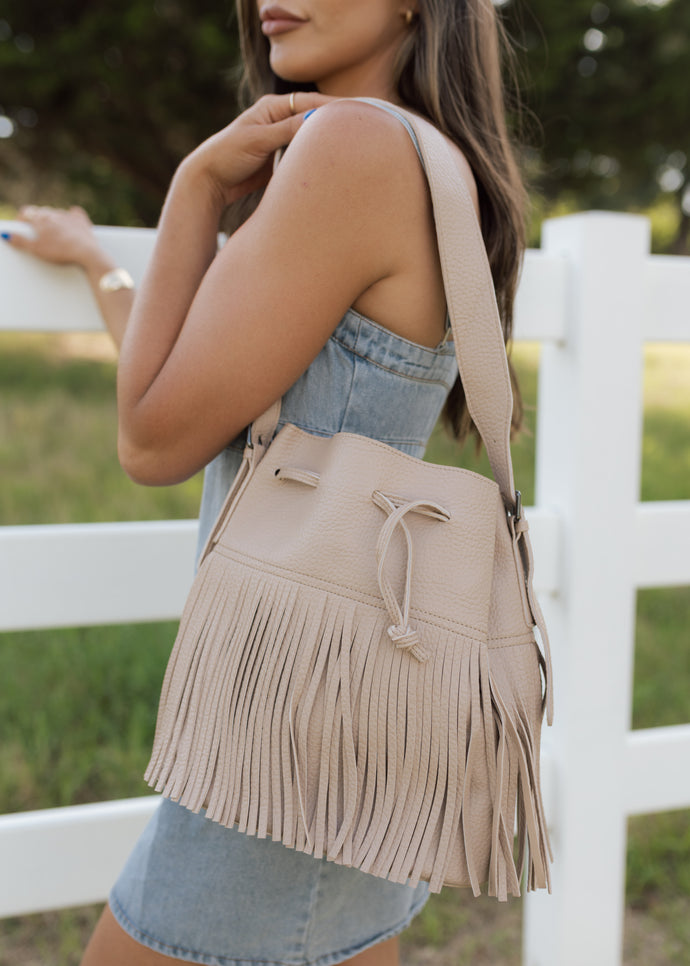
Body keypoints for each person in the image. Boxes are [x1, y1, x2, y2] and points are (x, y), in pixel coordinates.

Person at [7, 1, 528, 963]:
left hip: (278, 730)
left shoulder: (352, 150)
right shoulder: (435, 157)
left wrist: (198, 186)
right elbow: (215, 395)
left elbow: (153, 442)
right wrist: (98, 266)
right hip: (366, 702)